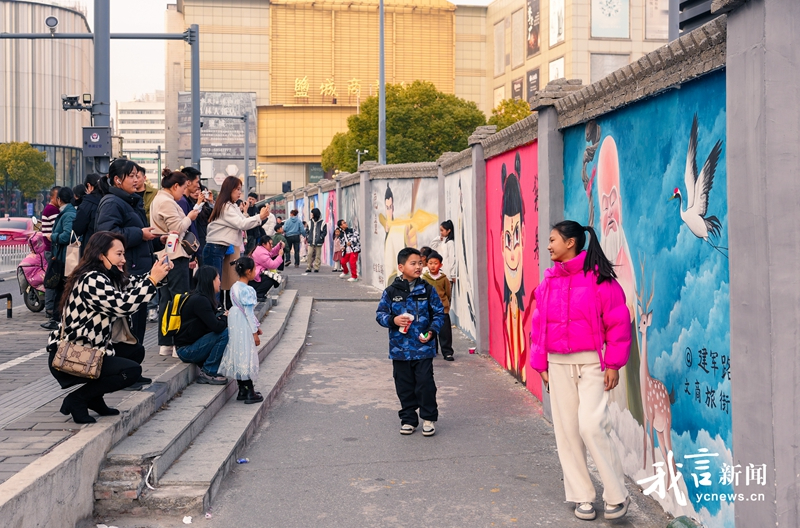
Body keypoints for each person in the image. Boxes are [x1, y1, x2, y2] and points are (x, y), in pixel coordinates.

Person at [529, 220, 632, 521]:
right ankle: (581, 495)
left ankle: (617, 494)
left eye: (553, 240)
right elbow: (539, 325)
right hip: (558, 364)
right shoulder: (548, 282)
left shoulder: (599, 279)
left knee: (591, 426)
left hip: (591, 364)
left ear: (570, 242)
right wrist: (540, 363)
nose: (548, 246)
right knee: (567, 432)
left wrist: (613, 364)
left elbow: (618, 322)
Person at [47, 231, 170, 423]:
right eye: (118, 254)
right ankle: (78, 399)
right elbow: (123, 305)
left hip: (91, 349)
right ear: (100, 255)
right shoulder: (92, 279)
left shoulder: (108, 276)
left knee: (135, 351)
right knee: (131, 371)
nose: (123, 259)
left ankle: (94, 397)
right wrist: (153, 280)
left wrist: (159, 272)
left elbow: (136, 284)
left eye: (123, 254)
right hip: (72, 354)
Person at [376, 247, 445, 437]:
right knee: (404, 386)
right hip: (399, 349)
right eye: (413, 263)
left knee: (425, 384)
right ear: (401, 267)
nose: (418, 267)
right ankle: (408, 419)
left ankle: (428, 418)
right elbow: (380, 314)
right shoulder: (391, 291)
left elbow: (439, 314)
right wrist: (394, 320)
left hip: (423, 348)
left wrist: (432, 331)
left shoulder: (428, 290)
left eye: (420, 263)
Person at [96, 158, 159, 345]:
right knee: (129, 331)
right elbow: (108, 235)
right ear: (117, 180)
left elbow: (137, 238)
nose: (136, 180)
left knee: (137, 328)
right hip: (127, 273)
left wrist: (157, 240)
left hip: (137, 270)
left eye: (137, 176)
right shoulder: (112, 203)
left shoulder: (130, 201)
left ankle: (134, 361)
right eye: (131, 176)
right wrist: (140, 234)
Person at [150, 169, 201, 357]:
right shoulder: (166, 202)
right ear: (175, 186)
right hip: (175, 255)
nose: (184, 192)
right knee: (179, 298)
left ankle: (166, 342)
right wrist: (190, 217)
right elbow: (177, 228)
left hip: (164, 255)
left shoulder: (159, 199)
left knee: (166, 299)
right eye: (183, 187)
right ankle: (178, 342)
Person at [204, 176, 270, 304]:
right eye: (237, 189)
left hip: (220, 248)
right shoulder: (225, 206)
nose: (240, 192)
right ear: (229, 189)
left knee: (218, 282)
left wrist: (260, 217)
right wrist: (260, 216)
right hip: (215, 247)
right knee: (214, 284)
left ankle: (218, 310)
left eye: (240, 189)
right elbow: (241, 224)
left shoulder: (232, 205)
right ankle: (214, 311)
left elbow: (243, 221)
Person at [217, 257, 264, 404]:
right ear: (248, 271)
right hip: (243, 322)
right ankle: (250, 392)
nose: (255, 272)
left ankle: (242, 389)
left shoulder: (234, 286)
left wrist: (256, 326)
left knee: (238, 351)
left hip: (235, 320)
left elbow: (242, 309)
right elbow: (248, 312)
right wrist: (254, 333)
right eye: (254, 269)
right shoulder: (248, 290)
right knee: (246, 352)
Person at [174, 266, 229, 385]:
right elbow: (217, 327)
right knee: (226, 333)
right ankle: (208, 371)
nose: (220, 282)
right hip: (186, 351)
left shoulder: (201, 298)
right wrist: (225, 317)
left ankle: (212, 367)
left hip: (191, 346)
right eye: (218, 278)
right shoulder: (200, 300)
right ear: (210, 281)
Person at [41, 187, 76, 330]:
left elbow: (67, 235)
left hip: (65, 257)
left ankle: (57, 319)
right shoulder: (67, 213)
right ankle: (56, 318)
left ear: (59, 199)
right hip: (62, 255)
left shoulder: (68, 214)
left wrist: (53, 236)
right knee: (60, 288)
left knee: (60, 288)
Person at [422, 251, 454, 361]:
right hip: (429, 309)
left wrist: (445, 305)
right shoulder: (424, 279)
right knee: (430, 330)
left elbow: (448, 293)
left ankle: (447, 352)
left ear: (440, 265)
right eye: (430, 263)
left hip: (442, 310)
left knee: (445, 332)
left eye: (435, 263)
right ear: (427, 264)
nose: (433, 266)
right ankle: (432, 350)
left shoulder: (444, 279)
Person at [41, 186, 61, 320]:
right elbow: (58, 228)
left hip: (51, 248)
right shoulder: (52, 210)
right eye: (58, 197)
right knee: (53, 278)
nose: (60, 200)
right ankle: (49, 308)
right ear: (52, 197)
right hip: (51, 249)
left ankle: (50, 307)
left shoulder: (53, 209)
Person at [73, 174, 103, 254]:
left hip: (91, 246)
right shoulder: (109, 199)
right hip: (109, 245)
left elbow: (78, 229)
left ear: (89, 186)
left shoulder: (87, 204)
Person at [306, 208, 327, 273]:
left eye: (312, 214)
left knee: (318, 255)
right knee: (309, 254)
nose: (311, 215)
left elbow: (324, 232)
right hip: (311, 241)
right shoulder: (309, 222)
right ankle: (308, 267)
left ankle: (316, 267)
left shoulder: (322, 222)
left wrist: (321, 237)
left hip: (318, 241)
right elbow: (307, 231)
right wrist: (308, 236)